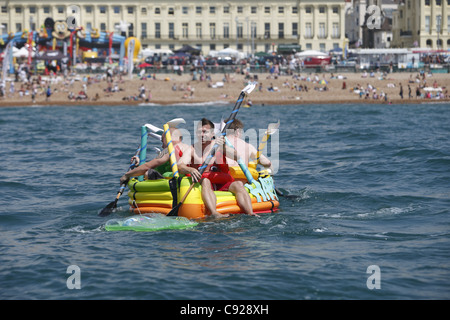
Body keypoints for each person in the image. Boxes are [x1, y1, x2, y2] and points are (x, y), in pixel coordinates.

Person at [177, 118, 229, 218]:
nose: (201, 135)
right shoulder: (192, 149)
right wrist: (190, 170)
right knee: (205, 181)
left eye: (204, 132)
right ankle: (214, 213)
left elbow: (236, 156)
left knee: (238, 184)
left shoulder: (218, 144)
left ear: (212, 133)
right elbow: (180, 165)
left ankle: (251, 214)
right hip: (201, 181)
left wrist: (224, 147)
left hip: (217, 182)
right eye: (199, 132)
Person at [120, 127, 189, 185]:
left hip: (176, 184)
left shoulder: (170, 149)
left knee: (148, 173)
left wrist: (127, 175)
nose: (162, 146)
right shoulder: (188, 148)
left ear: (169, 138)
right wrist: (140, 164)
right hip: (188, 182)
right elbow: (159, 168)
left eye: (163, 141)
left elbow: (147, 167)